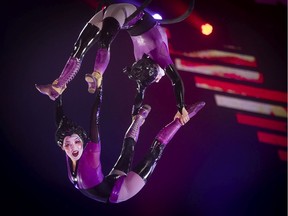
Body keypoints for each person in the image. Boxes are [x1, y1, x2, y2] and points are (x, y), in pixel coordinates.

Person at [35, 1, 195, 125]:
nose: (159, 79)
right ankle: (96, 75)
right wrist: (181, 107)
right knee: (102, 42)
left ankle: (59, 85)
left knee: (80, 47)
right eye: (158, 78)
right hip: (125, 14)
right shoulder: (161, 54)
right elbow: (175, 81)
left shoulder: (143, 66)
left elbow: (141, 90)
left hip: (117, 15)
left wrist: (135, 114)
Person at [55, 76, 205, 203]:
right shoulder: (69, 151)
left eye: (76, 141)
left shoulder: (91, 151)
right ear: (61, 147)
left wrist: (99, 89)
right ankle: (138, 120)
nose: (73, 147)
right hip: (115, 187)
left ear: (83, 140)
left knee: (152, 152)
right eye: (67, 144)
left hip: (119, 188)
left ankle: (181, 119)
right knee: (127, 152)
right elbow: (61, 122)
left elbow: (94, 117)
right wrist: (58, 98)